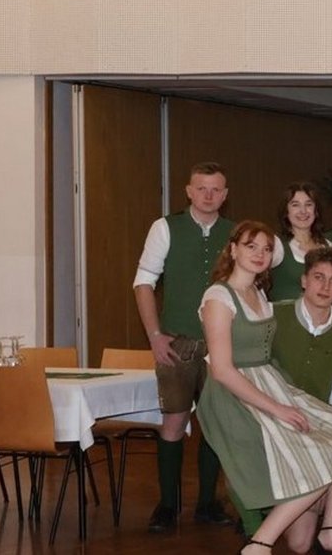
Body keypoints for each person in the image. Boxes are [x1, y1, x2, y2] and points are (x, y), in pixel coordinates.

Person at [193, 222, 332, 555]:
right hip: (234, 394)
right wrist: (277, 408)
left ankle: (330, 531)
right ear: (233, 250)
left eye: (266, 248)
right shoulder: (218, 296)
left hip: (270, 382)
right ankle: (261, 542)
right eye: (251, 246)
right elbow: (221, 369)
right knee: (323, 453)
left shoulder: (259, 294)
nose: (260, 254)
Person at [131, 161, 236, 532]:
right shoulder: (165, 228)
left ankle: (208, 502)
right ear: (189, 191)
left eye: (215, 189)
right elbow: (143, 283)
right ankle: (167, 505)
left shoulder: (236, 233)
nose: (208, 195)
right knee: (174, 420)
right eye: (201, 188)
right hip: (178, 342)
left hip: (221, 344)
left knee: (215, 423)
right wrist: (155, 335)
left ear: (225, 195)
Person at [258, 247, 332, 548]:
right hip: (273, 416)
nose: (326, 286)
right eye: (318, 277)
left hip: (315, 421)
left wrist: (331, 452)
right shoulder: (272, 314)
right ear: (304, 280)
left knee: (300, 544)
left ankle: (330, 527)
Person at [269, 183, 329, 303]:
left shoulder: (328, 246)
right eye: (295, 205)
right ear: (286, 211)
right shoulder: (276, 244)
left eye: (308, 204)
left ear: (316, 211)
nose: (303, 211)